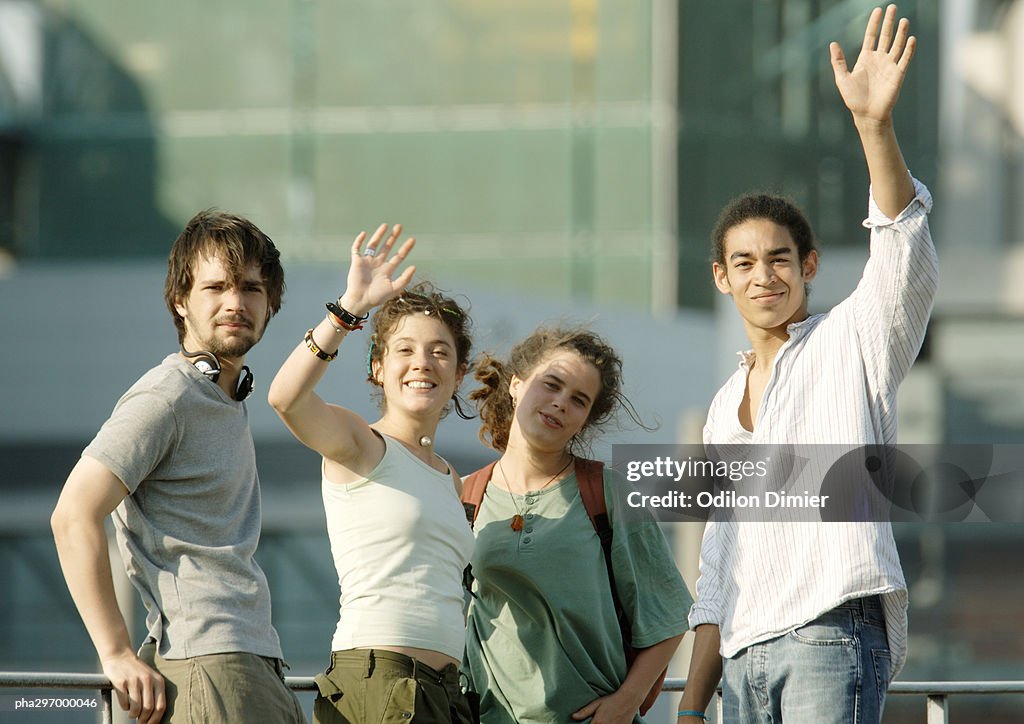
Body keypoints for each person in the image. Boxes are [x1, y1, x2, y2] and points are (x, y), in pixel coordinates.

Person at [678, 6, 939, 723]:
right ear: (722, 278)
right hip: (740, 661)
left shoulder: (852, 340)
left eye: (779, 259)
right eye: (744, 262)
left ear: (808, 267)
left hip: (830, 634)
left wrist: (872, 128)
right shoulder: (725, 404)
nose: (764, 275)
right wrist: (693, 705)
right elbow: (716, 568)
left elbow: (901, 247)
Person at [51, 210, 305, 724]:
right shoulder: (168, 396)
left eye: (252, 288)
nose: (236, 302)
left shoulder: (221, 397)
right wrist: (115, 652)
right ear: (180, 301)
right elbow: (72, 514)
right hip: (211, 666)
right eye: (217, 287)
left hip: (252, 665)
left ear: (270, 303)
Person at [267, 223, 477, 724]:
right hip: (380, 682)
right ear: (378, 368)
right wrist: (350, 308)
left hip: (448, 691)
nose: (422, 362)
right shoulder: (361, 442)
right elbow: (285, 399)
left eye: (439, 351)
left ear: (459, 374)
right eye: (404, 350)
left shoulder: (450, 477)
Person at [464, 326, 693, 723]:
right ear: (516, 384)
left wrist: (627, 702)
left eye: (578, 400)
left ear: (586, 418)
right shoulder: (466, 496)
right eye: (550, 385)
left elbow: (669, 616)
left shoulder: (607, 492)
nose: (559, 404)